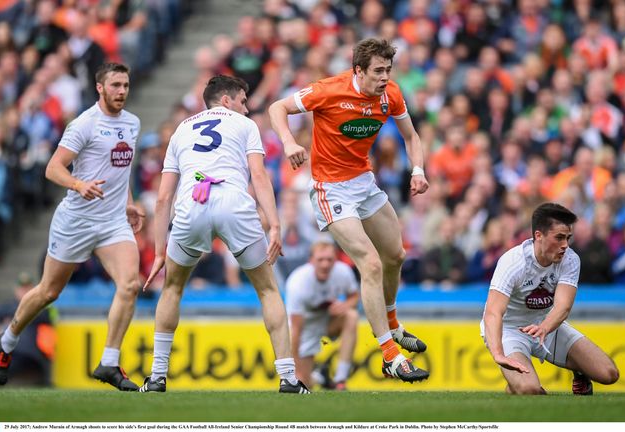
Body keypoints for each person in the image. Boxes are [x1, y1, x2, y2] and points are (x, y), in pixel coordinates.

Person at [269, 37, 430, 383]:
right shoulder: (328, 90)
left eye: (388, 70)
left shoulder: (392, 94)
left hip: (364, 183)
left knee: (395, 256)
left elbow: (412, 136)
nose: (384, 77)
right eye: (377, 71)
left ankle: (391, 323)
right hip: (330, 187)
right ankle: (390, 355)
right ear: (358, 70)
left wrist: (417, 170)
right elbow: (276, 108)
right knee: (369, 264)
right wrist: (288, 141)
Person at [139, 75, 309, 394]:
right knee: (269, 290)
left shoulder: (180, 130)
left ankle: (158, 376)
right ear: (227, 101)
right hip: (233, 201)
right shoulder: (245, 126)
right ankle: (288, 378)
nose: (246, 109)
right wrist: (274, 224)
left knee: (173, 288)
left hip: (192, 202)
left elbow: (162, 198)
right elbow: (258, 175)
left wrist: (160, 250)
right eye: (243, 101)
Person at [0, 63, 145, 391]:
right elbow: (52, 168)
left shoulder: (131, 123)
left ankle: (109, 362)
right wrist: (78, 185)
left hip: (113, 221)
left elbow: (121, 167)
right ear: (100, 88)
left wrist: (129, 200)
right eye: (115, 85)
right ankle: (7, 340)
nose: (122, 91)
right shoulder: (84, 125)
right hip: (76, 220)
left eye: (126, 85)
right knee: (48, 291)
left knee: (130, 284)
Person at [481, 203, 620, 395]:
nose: (565, 245)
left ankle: (578, 371)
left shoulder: (570, 259)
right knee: (530, 390)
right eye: (559, 238)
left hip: (547, 325)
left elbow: (563, 307)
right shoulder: (514, 262)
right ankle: (518, 384)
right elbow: (493, 312)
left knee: (609, 374)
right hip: (510, 330)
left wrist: (545, 327)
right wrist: (497, 353)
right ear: (539, 235)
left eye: (568, 238)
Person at [286, 238, 359, 390]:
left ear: (336, 259)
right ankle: (319, 377)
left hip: (327, 320)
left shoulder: (343, 272)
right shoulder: (298, 282)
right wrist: (296, 370)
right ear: (311, 260)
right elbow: (296, 329)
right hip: (305, 326)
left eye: (329, 259)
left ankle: (340, 379)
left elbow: (354, 296)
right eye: (320, 260)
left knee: (351, 316)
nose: (325, 264)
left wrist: (344, 305)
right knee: (304, 382)